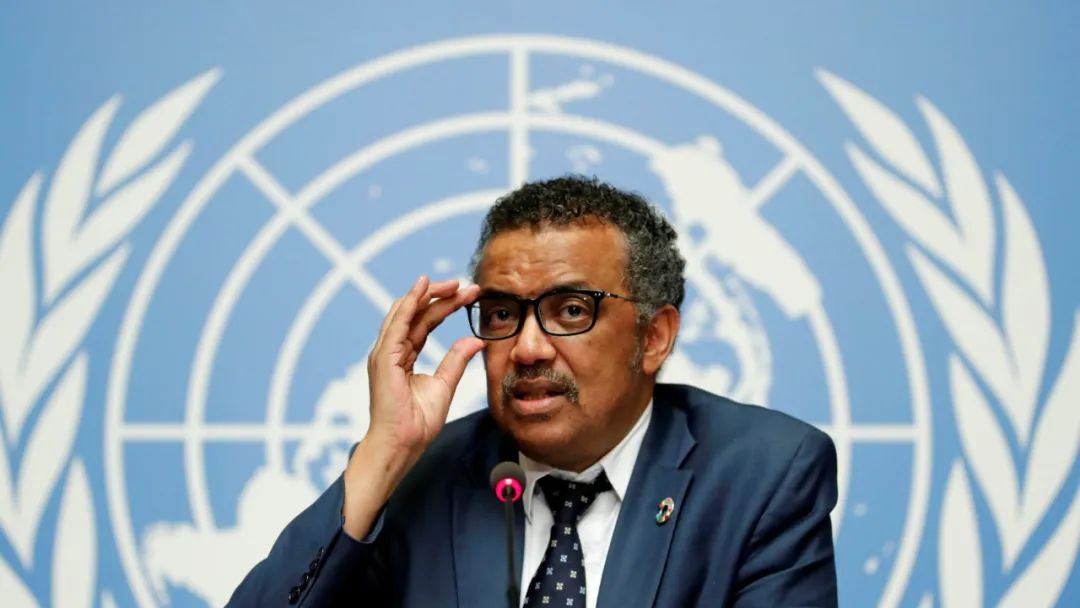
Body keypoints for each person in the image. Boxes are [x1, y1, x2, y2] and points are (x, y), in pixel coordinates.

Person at [228, 176, 838, 607]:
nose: (526, 349)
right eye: (501, 314)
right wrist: (382, 456)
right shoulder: (421, 476)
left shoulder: (762, 474)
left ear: (653, 337)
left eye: (570, 310)